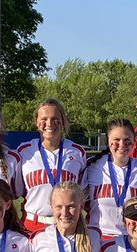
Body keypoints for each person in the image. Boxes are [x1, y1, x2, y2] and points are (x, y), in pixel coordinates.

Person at [15, 99, 86, 235]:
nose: (49, 123)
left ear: (63, 121)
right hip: (32, 225)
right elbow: (16, 191)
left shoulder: (77, 152)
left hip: (67, 225)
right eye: (44, 119)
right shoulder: (23, 151)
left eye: (55, 118)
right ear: (36, 122)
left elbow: (82, 192)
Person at [83, 119, 137, 240]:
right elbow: (81, 203)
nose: (122, 145)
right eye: (116, 140)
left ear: (134, 142)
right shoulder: (92, 167)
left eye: (127, 141)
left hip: (131, 240)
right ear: (108, 141)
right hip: (97, 238)